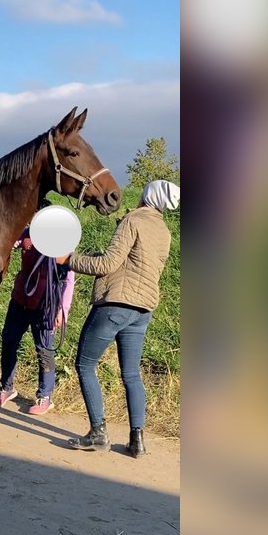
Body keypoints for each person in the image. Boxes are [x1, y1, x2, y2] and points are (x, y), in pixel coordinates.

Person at [58, 180, 180, 456]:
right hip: (143, 309)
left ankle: (98, 433)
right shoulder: (164, 231)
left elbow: (108, 264)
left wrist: (69, 259)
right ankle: (137, 441)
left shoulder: (132, 221)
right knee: (131, 374)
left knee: (85, 365)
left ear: (147, 195)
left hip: (116, 303)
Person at [0, 226, 75, 415]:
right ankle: (6, 387)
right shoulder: (26, 233)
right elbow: (8, 241)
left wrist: (63, 310)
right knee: (9, 341)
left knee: (44, 350)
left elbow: (69, 279)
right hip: (20, 299)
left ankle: (45, 396)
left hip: (46, 304)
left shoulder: (63, 239)